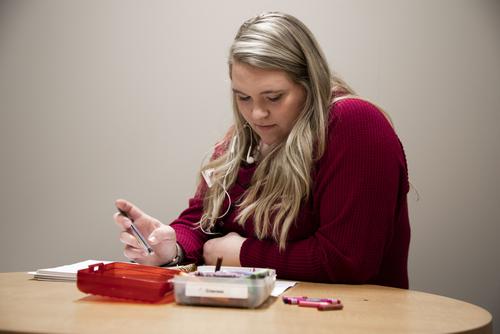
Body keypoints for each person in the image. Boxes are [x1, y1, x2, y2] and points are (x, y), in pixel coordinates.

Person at [114, 12, 410, 289]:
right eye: (243, 97)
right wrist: (172, 247)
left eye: (274, 97)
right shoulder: (242, 139)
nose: (256, 114)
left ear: (311, 84)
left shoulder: (355, 124)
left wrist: (243, 253)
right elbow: (202, 222)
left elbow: (347, 260)